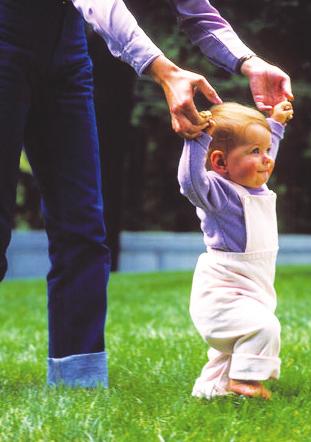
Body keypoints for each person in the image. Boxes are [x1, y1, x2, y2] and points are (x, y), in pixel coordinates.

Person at [0, 0, 291, 387]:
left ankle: (78, 379)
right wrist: (164, 71)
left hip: (67, 56)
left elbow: (196, 11)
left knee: (83, 226)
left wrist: (248, 61)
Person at [177, 101, 293, 399]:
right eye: (255, 152)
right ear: (220, 163)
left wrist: (275, 126)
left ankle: (212, 389)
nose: (267, 159)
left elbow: (265, 155)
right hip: (223, 293)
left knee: (233, 348)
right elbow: (191, 183)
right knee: (264, 328)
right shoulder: (220, 195)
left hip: (253, 287)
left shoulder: (257, 188)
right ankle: (245, 381)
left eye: (266, 150)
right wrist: (196, 139)